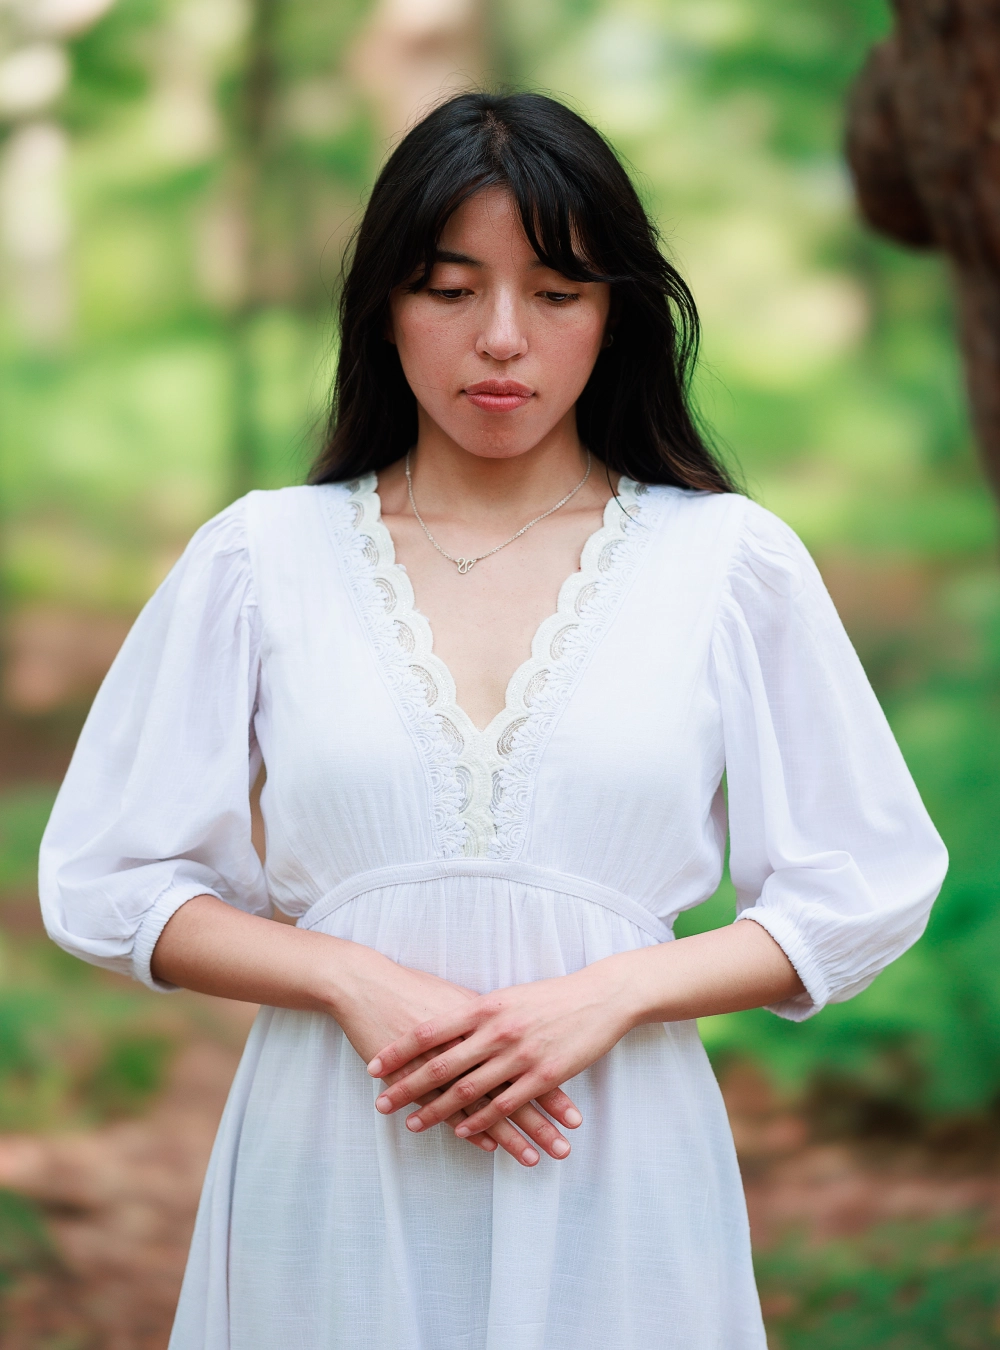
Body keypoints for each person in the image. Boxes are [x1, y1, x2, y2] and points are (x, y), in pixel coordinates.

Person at [39, 92, 947, 1350]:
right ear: (383, 306)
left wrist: (611, 995)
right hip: (332, 1157)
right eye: (449, 289)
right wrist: (347, 976)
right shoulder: (261, 556)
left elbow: (865, 883)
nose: (502, 338)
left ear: (616, 313)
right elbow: (110, 877)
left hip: (615, 1158)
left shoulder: (727, 562)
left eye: (557, 292)